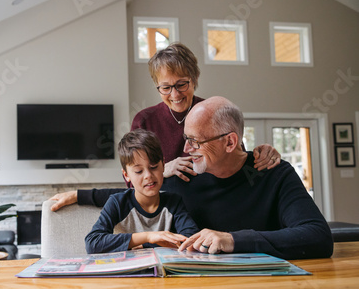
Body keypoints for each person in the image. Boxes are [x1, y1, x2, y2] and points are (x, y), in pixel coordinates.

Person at [59, 97, 334, 260]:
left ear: (230, 142)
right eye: (186, 139)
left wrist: (232, 240)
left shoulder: (271, 172)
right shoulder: (186, 174)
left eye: (194, 141)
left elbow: (318, 237)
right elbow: (136, 192)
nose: (186, 149)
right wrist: (78, 195)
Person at [50, 42, 280, 211]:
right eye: (165, 87)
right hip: (166, 209)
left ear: (195, 78)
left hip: (215, 205)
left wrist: (263, 153)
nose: (175, 94)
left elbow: (235, 160)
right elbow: (133, 181)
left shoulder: (211, 113)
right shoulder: (145, 120)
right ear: (157, 86)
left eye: (182, 84)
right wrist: (164, 169)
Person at [85, 129, 199, 254]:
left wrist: (144, 244)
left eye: (154, 167)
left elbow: (190, 240)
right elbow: (93, 243)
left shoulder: (174, 202)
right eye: (139, 171)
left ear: (163, 165)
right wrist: (148, 237)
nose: (148, 176)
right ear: (126, 175)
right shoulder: (117, 202)